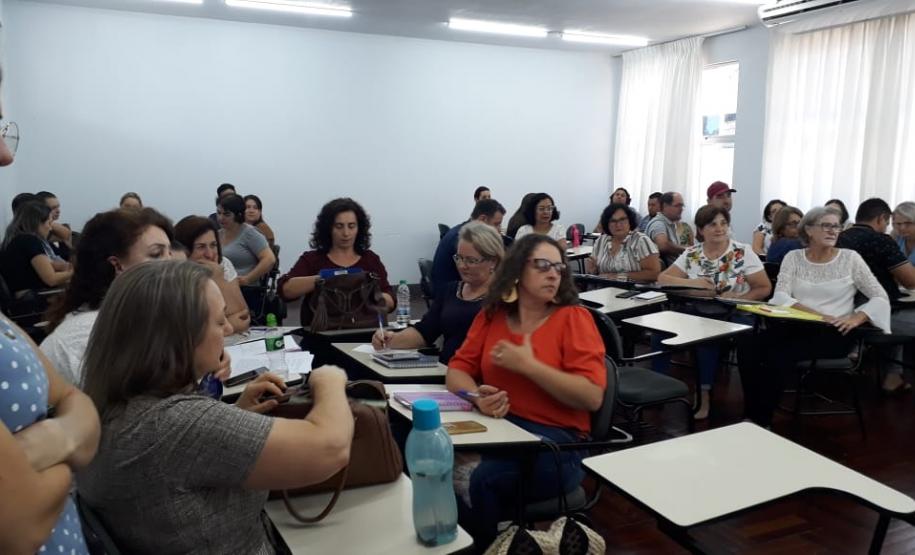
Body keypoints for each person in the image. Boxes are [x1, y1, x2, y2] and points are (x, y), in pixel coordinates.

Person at [77, 261, 354, 554]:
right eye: (220, 322)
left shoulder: (106, 408)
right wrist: (329, 380)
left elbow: (187, 456)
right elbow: (331, 447)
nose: (230, 329)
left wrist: (236, 416)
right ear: (182, 336)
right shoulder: (174, 424)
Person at [445, 234, 606, 544]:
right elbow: (458, 370)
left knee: (483, 479)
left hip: (557, 445)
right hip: (501, 429)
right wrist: (475, 397)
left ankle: (490, 548)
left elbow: (591, 396)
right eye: (543, 265)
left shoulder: (573, 318)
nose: (553, 274)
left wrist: (529, 366)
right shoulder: (493, 315)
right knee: (424, 446)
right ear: (517, 270)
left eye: (559, 267)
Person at [0, 88, 100, 552]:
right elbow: (20, 521)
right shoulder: (27, 243)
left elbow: (77, 403)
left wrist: (46, 446)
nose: (6, 155)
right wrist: (70, 447)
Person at [740, 206, 891, 427]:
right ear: (809, 230)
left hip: (834, 332)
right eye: (826, 225)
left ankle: (761, 421)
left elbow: (880, 296)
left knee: (777, 355)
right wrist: (818, 315)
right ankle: (751, 414)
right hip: (796, 325)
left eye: (836, 226)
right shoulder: (794, 257)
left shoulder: (850, 258)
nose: (833, 231)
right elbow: (780, 296)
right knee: (747, 345)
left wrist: (856, 318)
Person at [654, 206, 770, 419]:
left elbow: (763, 288)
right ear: (700, 229)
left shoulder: (742, 251)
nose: (719, 229)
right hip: (698, 309)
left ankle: (704, 394)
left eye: (723, 223)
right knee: (660, 331)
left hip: (734, 312)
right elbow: (663, 278)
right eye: (712, 224)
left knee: (707, 338)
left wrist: (740, 298)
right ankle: (657, 390)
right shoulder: (692, 253)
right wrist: (694, 284)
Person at [41, 207, 176, 386]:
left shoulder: (139, 314)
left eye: (170, 252)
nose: (172, 263)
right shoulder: (87, 334)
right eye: (156, 254)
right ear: (117, 266)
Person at [374, 222, 504, 364]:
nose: (462, 266)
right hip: (446, 370)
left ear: (493, 261)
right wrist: (390, 339)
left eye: (471, 260)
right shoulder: (451, 291)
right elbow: (424, 332)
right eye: (459, 258)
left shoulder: (505, 299)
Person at [837, 198, 915, 392]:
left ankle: (892, 374)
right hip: (870, 317)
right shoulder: (882, 241)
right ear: (881, 219)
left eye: (907, 223)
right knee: (889, 314)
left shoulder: (838, 238)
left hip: (839, 312)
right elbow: (910, 281)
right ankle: (892, 375)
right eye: (893, 223)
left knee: (887, 310)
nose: (900, 228)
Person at [278, 197, 395, 312]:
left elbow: (391, 302)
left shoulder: (370, 259)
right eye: (339, 226)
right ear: (328, 228)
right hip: (322, 324)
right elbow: (285, 291)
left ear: (359, 228)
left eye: (351, 226)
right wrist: (325, 278)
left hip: (365, 324)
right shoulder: (312, 259)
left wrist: (371, 294)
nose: (346, 233)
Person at [175, 215, 251, 336]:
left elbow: (243, 316)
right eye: (201, 247)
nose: (210, 254)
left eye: (213, 245)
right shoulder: (175, 276)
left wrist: (218, 278)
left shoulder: (222, 264)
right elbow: (190, 332)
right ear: (184, 250)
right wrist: (230, 325)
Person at [430, 199, 506, 295]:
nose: (499, 230)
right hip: (449, 293)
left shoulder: (461, 231)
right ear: (483, 219)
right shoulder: (464, 239)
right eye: (496, 224)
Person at [218, 193, 277, 312]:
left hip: (245, 290)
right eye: (219, 213)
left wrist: (247, 279)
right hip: (223, 286)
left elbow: (269, 259)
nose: (221, 218)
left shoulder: (250, 233)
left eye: (226, 214)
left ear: (238, 215)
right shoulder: (218, 234)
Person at [0, 201, 72, 295]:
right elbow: (52, 279)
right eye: (49, 223)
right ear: (37, 223)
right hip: (33, 296)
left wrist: (68, 267)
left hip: (27, 294)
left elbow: (48, 265)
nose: (50, 228)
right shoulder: (30, 241)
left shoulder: (15, 239)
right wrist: (74, 272)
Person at [586, 203, 660, 282]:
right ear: (607, 223)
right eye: (613, 221)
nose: (618, 225)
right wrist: (593, 270)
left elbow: (654, 274)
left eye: (622, 219)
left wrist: (618, 277)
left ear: (629, 221)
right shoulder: (601, 241)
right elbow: (596, 273)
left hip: (633, 288)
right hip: (604, 287)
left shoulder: (641, 241)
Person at [646, 191, 694, 267]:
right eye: (677, 206)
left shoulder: (670, 224)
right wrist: (687, 249)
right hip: (667, 271)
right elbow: (663, 245)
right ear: (665, 206)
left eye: (682, 206)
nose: (681, 209)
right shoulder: (658, 223)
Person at [35, 191, 73, 261]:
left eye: (58, 207)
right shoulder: (37, 230)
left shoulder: (57, 227)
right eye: (53, 208)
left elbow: (67, 234)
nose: (58, 211)